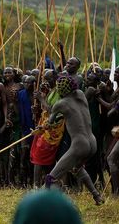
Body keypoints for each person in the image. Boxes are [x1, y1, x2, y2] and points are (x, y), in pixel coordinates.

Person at [44, 75, 104, 205]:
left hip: (79, 145)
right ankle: (97, 196)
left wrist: (43, 126)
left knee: (50, 179)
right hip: (92, 143)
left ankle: (58, 206)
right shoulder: (81, 94)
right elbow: (73, 114)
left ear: (59, 90)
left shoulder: (60, 104)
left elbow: (50, 122)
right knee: (77, 168)